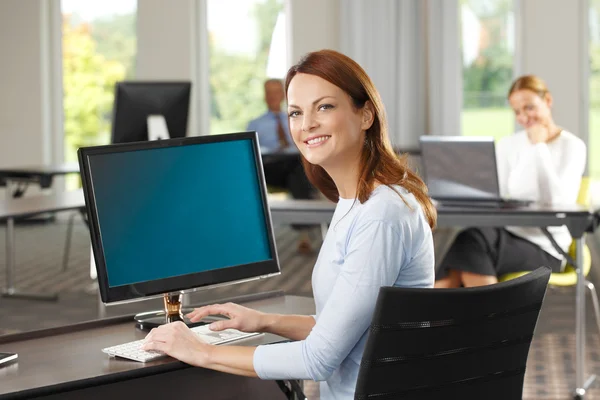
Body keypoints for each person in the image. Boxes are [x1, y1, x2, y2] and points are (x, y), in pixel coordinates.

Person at [143, 49, 437, 399]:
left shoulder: (381, 214)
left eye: (324, 107)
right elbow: (340, 328)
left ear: (366, 115)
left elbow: (319, 359)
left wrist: (200, 351)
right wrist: (264, 321)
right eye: (296, 112)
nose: (306, 124)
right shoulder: (357, 202)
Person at [435, 75, 587, 288]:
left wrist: (539, 147)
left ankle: (442, 320)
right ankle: (458, 320)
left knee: (469, 246)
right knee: (466, 242)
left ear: (548, 101)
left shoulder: (573, 146)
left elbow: (558, 201)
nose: (524, 117)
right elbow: (500, 194)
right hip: (507, 233)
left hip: (548, 246)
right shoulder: (508, 144)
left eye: (530, 107)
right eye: (517, 112)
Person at [248, 78, 316, 253]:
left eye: (276, 92)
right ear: (264, 96)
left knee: (297, 169)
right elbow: (251, 154)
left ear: (284, 95)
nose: (272, 96)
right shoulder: (255, 124)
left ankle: (304, 232)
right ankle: (306, 229)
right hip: (270, 168)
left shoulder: (299, 120)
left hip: (295, 166)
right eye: (269, 92)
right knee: (297, 169)